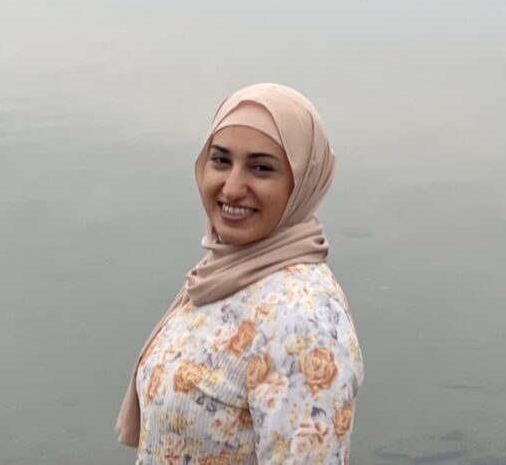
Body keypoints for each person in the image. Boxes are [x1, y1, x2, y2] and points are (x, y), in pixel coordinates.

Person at [116, 83, 363, 464]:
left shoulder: (302, 318)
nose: (231, 188)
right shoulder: (220, 276)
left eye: (261, 168)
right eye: (220, 160)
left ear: (302, 182)